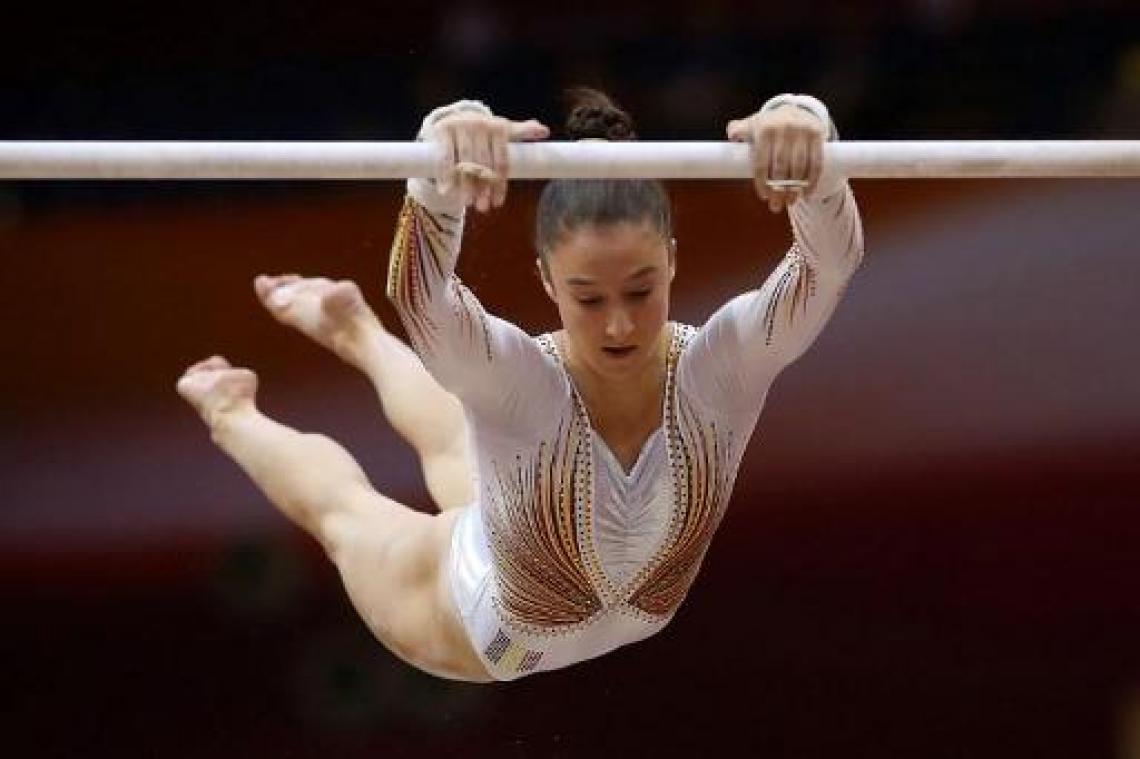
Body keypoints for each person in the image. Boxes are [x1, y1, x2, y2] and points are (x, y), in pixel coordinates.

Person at [177, 89, 864, 682]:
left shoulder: (721, 368)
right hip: (470, 614)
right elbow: (423, 298)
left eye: (641, 289)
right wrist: (442, 157)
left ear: (673, 262)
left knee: (465, 442)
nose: (619, 323)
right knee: (346, 514)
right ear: (547, 281)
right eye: (588, 298)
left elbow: (828, 265)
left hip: (523, 512)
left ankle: (355, 331)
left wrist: (807, 129)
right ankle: (230, 409)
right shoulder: (525, 381)